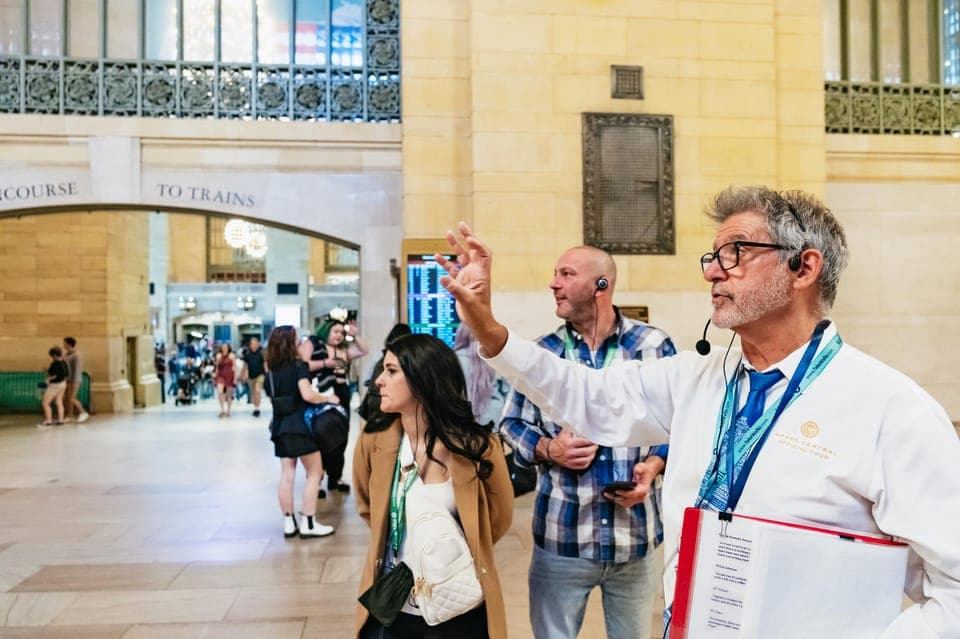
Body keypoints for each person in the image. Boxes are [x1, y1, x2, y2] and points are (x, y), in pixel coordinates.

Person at [437, 186, 960, 638]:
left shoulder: (891, 411)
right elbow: (587, 395)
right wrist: (486, 325)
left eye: (735, 252)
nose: (713, 271)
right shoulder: (694, 379)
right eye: (711, 256)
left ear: (804, 267)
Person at [499, 245, 676, 639]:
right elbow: (510, 423)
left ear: (601, 284)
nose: (553, 284)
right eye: (555, 273)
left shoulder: (654, 347)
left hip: (635, 540)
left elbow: (679, 424)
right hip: (562, 538)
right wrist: (550, 449)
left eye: (565, 274)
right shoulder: (543, 353)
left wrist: (654, 468)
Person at [353, 333, 513, 639]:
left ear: (421, 379)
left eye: (391, 371)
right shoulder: (375, 442)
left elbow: (497, 519)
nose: (378, 381)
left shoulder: (479, 447)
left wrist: (449, 554)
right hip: (396, 604)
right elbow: (368, 508)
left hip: (459, 601)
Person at [264, 325, 338, 538]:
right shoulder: (298, 366)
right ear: (290, 344)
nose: (299, 344)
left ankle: (289, 522)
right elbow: (307, 394)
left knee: (287, 475)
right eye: (296, 340)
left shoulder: (271, 370)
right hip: (300, 427)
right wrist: (327, 398)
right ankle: (309, 522)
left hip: (280, 426)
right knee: (315, 473)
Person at [300, 317, 369, 494]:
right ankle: (317, 479)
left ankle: (335, 477)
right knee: (321, 437)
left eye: (341, 333)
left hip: (342, 396)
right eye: (335, 331)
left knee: (341, 440)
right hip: (322, 396)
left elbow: (364, 350)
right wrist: (325, 363)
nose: (339, 336)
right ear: (326, 331)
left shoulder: (344, 351)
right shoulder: (314, 345)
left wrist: (355, 335)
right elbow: (301, 364)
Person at [452, 323, 511, 430]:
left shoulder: (453, 360)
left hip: (460, 426)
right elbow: (508, 394)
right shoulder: (498, 360)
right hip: (492, 423)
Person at [357, 322, 411, 424]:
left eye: (392, 371)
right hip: (385, 405)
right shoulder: (405, 358)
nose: (378, 381)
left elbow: (366, 377)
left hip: (373, 402)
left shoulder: (380, 355)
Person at [39, 346, 69, 427]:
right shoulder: (64, 362)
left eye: (52, 356)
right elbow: (66, 375)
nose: (52, 358)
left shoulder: (55, 364)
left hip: (55, 385)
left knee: (45, 403)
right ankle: (61, 420)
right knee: (59, 402)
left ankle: (48, 421)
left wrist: (48, 379)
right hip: (63, 384)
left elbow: (55, 375)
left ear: (55, 355)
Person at [62, 337, 89, 423]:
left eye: (65, 343)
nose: (63, 345)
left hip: (75, 380)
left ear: (69, 344)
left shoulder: (77, 355)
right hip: (67, 379)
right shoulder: (65, 354)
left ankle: (83, 412)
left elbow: (78, 369)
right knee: (66, 397)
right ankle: (70, 415)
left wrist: (74, 382)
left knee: (71, 398)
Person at [242, 336, 266, 417]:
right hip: (251, 376)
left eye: (255, 344)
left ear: (258, 344)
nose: (254, 345)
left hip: (260, 375)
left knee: (257, 390)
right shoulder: (247, 353)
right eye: (252, 344)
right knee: (253, 393)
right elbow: (245, 365)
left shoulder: (262, 353)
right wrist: (243, 374)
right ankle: (255, 407)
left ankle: (257, 409)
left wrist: (268, 374)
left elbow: (265, 364)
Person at [214, 342, 236, 418]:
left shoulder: (232, 355)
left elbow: (235, 367)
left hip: (230, 375)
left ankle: (228, 410)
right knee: (220, 392)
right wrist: (215, 376)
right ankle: (222, 409)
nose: (224, 348)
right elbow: (217, 367)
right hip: (221, 375)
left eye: (226, 347)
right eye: (223, 347)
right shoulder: (218, 355)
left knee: (229, 394)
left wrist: (235, 378)